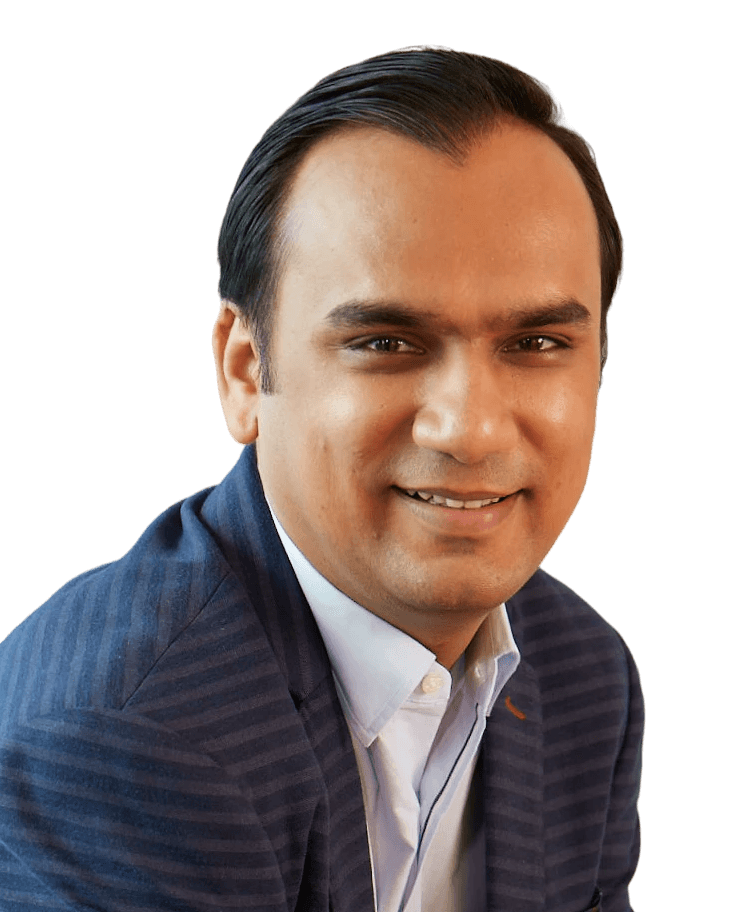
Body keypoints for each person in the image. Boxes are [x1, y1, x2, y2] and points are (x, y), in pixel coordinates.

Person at [0, 46, 643, 912]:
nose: (470, 429)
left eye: (536, 343)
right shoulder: (122, 734)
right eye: (385, 342)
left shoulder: (586, 677)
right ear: (243, 372)